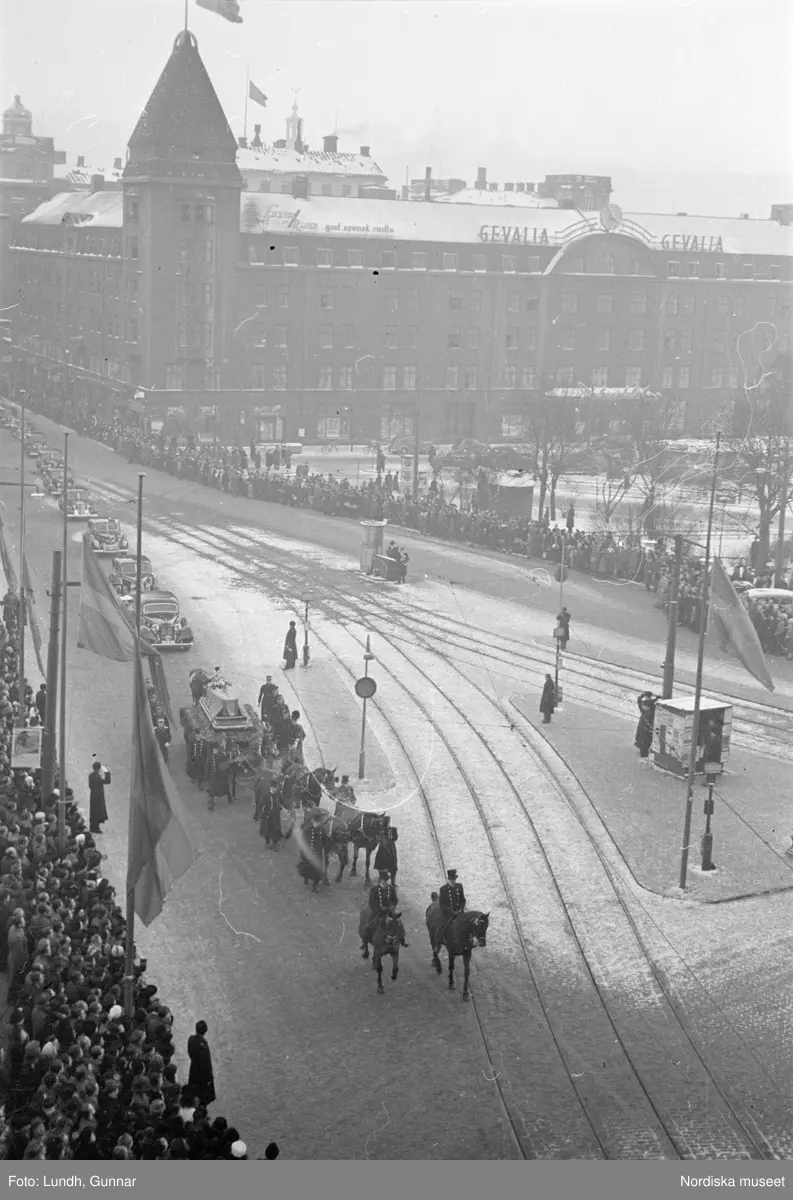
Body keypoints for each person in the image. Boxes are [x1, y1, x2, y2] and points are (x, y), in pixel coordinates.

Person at [362, 869, 399, 950]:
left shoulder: (391, 888)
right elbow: (372, 901)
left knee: (398, 923)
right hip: (378, 911)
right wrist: (378, 909)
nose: (386, 881)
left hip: (389, 910)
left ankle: (401, 939)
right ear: (381, 880)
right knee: (369, 925)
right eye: (384, 880)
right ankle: (365, 942)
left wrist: (392, 907)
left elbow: (395, 900)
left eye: (387, 880)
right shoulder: (375, 889)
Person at [187, 1020, 216, 1109]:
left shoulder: (191, 1039)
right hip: (201, 1075)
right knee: (203, 1094)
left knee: (194, 1089)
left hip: (193, 1068)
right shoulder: (203, 1047)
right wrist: (209, 1079)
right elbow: (206, 1065)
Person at [258, 780, 283, 850]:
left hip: (276, 816)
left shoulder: (279, 794)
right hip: (267, 816)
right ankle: (267, 843)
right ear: (270, 787)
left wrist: (280, 806)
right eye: (273, 787)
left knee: (276, 829)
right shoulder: (265, 795)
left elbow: (282, 801)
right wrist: (260, 815)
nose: (274, 789)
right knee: (267, 830)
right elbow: (260, 806)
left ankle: (275, 843)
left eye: (275, 787)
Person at [88, 760, 111, 835]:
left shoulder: (91, 775)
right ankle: (96, 828)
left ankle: (93, 827)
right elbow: (107, 781)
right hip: (98, 797)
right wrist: (107, 772)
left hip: (93, 795)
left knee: (93, 812)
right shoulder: (97, 777)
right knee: (97, 812)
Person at [634, 692, 657, 760]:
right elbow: (639, 700)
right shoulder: (649, 709)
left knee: (645, 744)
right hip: (644, 730)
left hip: (646, 731)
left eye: (645, 706)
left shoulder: (649, 711)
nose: (643, 707)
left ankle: (645, 756)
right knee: (644, 744)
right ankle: (645, 756)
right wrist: (645, 696)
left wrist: (652, 698)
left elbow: (639, 700)